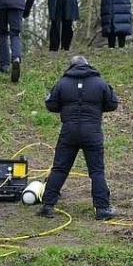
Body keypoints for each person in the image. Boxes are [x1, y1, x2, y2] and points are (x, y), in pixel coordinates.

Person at [37, 56, 119, 220]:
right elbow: (112, 104)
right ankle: (102, 209)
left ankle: (48, 205)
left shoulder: (62, 83)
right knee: (96, 171)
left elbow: (51, 104)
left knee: (60, 168)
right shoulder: (100, 82)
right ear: (88, 65)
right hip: (92, 131)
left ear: (71, 66)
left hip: (69, 130)